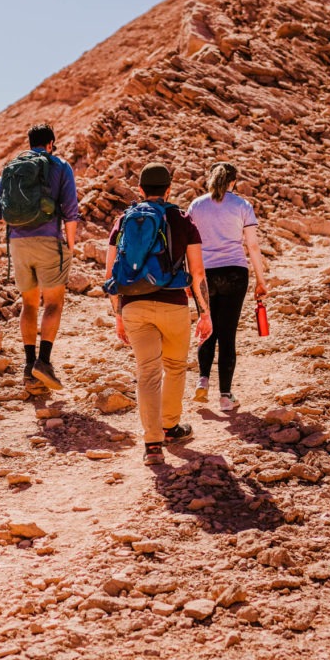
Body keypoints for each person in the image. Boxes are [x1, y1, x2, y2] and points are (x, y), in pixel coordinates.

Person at [105, 162, 212, 465]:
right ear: (168, 189)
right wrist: (205, 313)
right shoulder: (182, 219)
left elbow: (111, 269)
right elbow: (198, 271)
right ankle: (170, 427)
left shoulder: (124, 219)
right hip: (173, 304)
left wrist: (118, 314)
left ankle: (152, 445)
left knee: (147, 374)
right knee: (175, 367)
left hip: (134, 307)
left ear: (139, 190)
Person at [0, 123, 79, 390]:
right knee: (53, 304)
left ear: (30, 143)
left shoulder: (12, 168)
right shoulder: (60, 166)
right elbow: (71, 210)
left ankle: (28, 367)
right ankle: (44, 362)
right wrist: (69, 247)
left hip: (18, 244)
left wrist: (20, 219)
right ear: (51, 143)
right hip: (49, 241)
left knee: (29, 304)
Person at [187, 161, 268, 411]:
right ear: (234, 181)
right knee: (227, 334)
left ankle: (203, 380)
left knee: (206, 326)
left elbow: (188, 245)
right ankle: (225, 396)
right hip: (235, 272)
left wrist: (189, 278)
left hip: (205, 274)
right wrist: (261, 281)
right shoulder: (243, 205)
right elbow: (252, 246)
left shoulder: (196, 205)